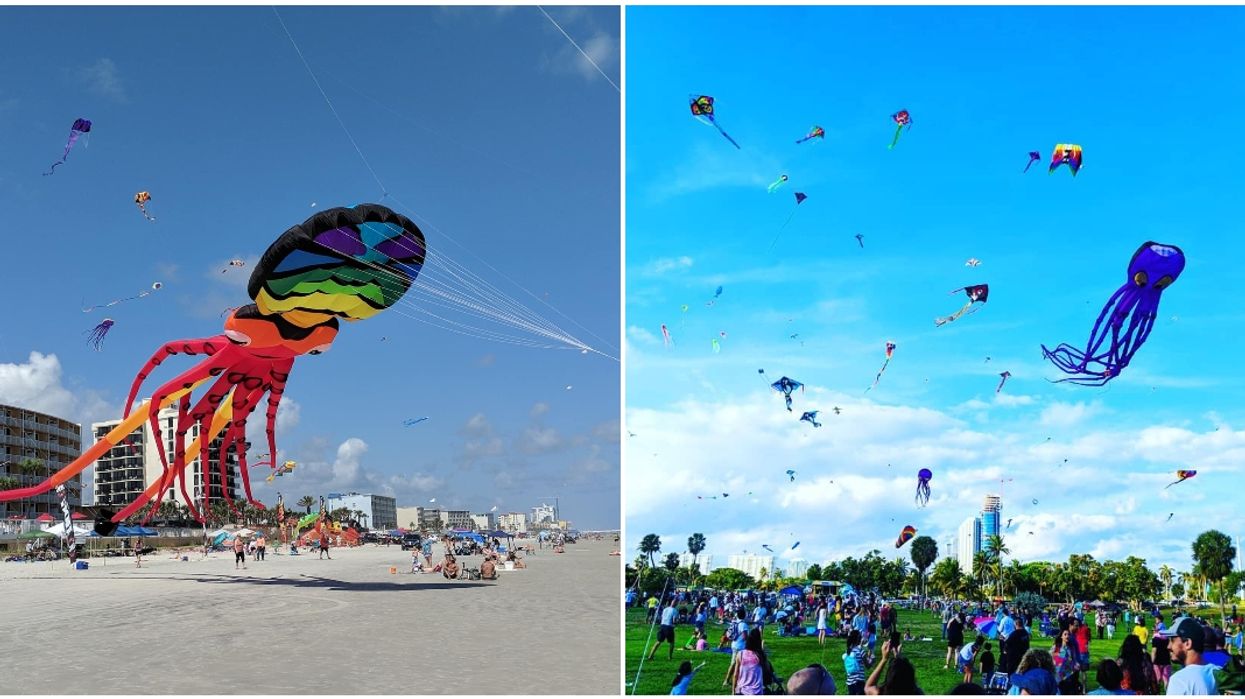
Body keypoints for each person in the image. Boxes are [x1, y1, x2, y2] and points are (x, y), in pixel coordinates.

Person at [1165, 617, 1217, 694]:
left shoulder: (1179, 680)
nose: (1168, 646)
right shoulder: (1217, 672)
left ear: (1187, 643)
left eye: (1172, 640)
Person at [844, 629, 868, 695]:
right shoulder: (861, 651)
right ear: (859, 639)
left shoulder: (847, 652)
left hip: (849, 682)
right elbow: (868, 665)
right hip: (859, 682)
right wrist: (872, 658)